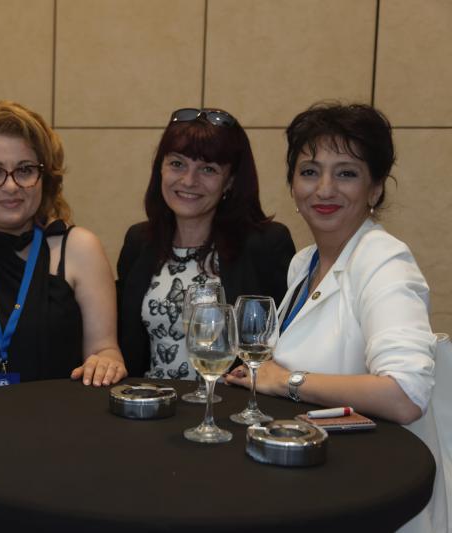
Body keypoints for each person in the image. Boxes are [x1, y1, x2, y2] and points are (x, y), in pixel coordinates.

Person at [225, 102, 447, 532]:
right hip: (318, 483)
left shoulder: (384, 261)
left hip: (374, 495)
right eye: (310, 172)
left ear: (375, 189)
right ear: (293, 185)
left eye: (346, 173)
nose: (324, 189)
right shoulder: (305, 262)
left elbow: (405, 395)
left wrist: (285, 381)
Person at [0, 100, 127, 400]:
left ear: (45, 179)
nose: (11, 186)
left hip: (58, 424)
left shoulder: (79, 250)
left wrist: (107, 361)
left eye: (25, 170)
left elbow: (105, 350)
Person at [117, 108, 295, 379]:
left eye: (208, 169)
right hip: (152, 401)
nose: (189, 181)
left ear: (230, 181)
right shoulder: (139, 241)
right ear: (160, 168)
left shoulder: (266, 244)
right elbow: (125, 341)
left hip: (229, 403)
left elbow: (285, 343)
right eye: (177, 164)